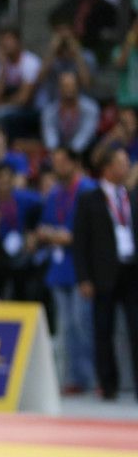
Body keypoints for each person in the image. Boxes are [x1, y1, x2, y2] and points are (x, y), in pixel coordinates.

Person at [71, 150, 137, 399]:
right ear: (107, 168)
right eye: (122, 163)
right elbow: (80, 242)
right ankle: (108, 386)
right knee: (103, 330)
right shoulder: (89, 199)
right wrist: (84, 278)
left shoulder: (132, 196)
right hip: (103, 273)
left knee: (136, 329)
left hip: (132, 269)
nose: (127, 167)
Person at [35, 148, 98, 396]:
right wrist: (52, 235)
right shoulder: (55, 194)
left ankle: (94, 376)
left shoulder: (88, 190)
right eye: (55, 162)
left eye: (62, 162)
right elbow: (46, 225)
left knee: (84, 324)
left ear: (75, 163)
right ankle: (73, 378)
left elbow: (90, 232)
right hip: (59, 267)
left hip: (82, 268)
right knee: (66, 327)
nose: (58, 167)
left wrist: (67, 237)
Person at [42, 71, 102, 155]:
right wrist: (57, 153)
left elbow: (85, 135)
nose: (69, 89)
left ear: (78, 87)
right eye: (65, 86)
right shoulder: (49, 111)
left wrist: (70, 155)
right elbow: (50, 136)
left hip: (85, 153)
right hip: (58, 153)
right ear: (59, 88)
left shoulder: (91, 108)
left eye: (72, 85)